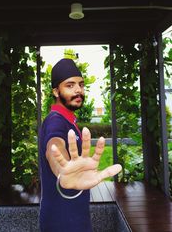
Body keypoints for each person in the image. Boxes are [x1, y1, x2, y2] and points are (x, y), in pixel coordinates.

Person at [39, 58, 122, 232]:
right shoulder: (56, 121)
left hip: (73, 216)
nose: (78, 90)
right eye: (70, 85)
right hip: (62, 222)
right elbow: (54, 146)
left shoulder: (68, 120)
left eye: (81, 85)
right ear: (56, 91)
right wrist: (62, 168)